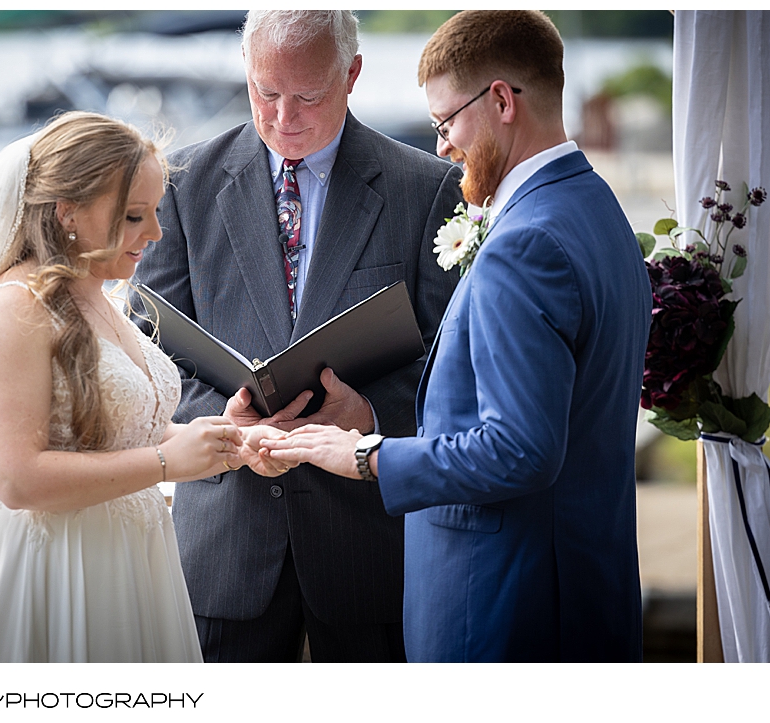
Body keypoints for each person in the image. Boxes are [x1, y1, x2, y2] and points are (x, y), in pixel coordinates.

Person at [262, 10, 653, 662]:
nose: (441, 146)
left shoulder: (524, 244)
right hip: (584, 586)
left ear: (500, 99)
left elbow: (521, 448)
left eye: (446, 122)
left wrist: (367, 455)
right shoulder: (597, 207)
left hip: (502, 608)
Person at [0, 111, 280, 663]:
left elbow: (115, 432)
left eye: (155, 211)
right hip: (61, 569)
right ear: (68, 210)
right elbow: (16, 479)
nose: (156, 233)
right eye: (135, 215)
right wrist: (167, 462)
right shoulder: (13, 309)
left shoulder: (99, 296)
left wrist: (217, 439)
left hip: (135, 561)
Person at [132, 10, 462, 662]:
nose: (285, 117)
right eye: (266, 92)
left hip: (370, 551)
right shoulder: (180, 186)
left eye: (308, 95)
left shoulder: (428, 190)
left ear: (352, 75)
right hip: (226, 546)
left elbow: (451, 368)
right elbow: (149, 356)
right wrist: (223, 425)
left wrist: (368, 414)